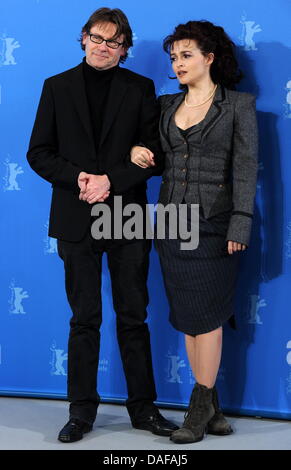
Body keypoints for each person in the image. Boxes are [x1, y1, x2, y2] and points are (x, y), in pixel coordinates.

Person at [27, 7, 178, 443]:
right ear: (83, 38)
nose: (104, 47)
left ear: (125, 48)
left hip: (126, 214)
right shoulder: (56, 87)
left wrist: (111, 180)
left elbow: (155, 155)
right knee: (84, 319)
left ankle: (144, 410)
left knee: (134, 316)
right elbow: (39, 152)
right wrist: (80, 180)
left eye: (114, 42)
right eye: (97, 38)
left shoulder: (140, 88)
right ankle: (81, 412)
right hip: (76, 216)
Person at [131, 20, 258, 444]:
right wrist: (137, 150)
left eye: (186, 55)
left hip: (215, 226)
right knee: (189, 319)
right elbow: (159, 159)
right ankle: (214, 410)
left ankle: (198, 410)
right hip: (171, 224)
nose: (178, 63)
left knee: (208, 317)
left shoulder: (238, 105)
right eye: (173, 57)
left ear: (210, 58)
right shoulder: (166, 105)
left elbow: (245, 172)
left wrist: (240, 223)